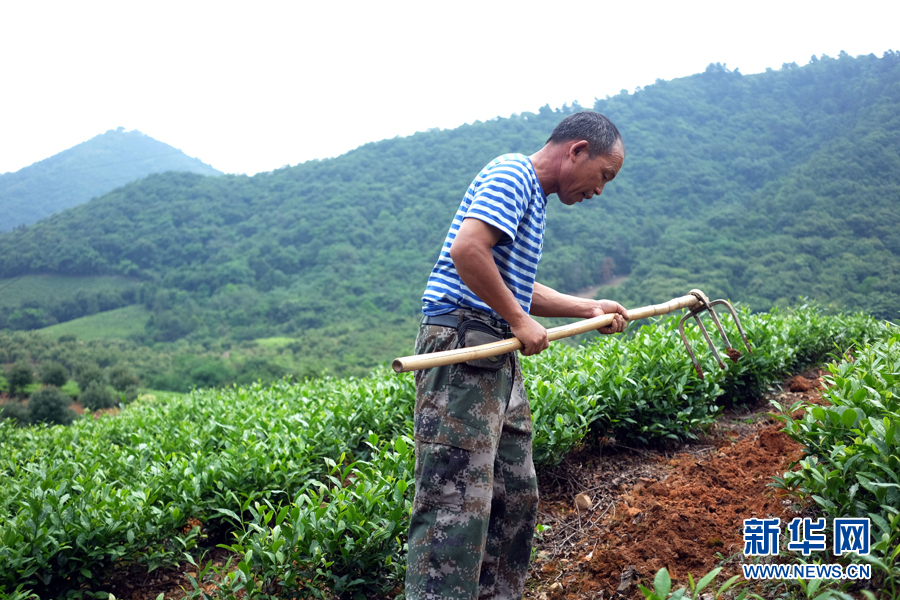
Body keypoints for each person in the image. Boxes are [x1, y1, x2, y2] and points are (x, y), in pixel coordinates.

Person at [405, 111, 629, 600]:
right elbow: (469, 251)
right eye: (604, 175)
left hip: (492, 354)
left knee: (514, 495)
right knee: (453, 503)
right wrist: (518, 320)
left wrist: (588, 307)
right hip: (464, 346)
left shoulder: (532, 197)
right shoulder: (513, 174)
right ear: (577, 151)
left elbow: (518, 289)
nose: (600, 190)